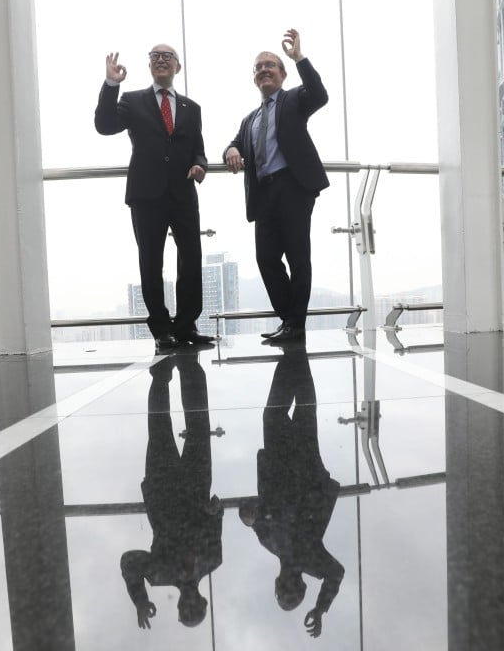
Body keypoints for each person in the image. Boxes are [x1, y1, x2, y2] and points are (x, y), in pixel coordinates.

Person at [95, 45, 214, 351]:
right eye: (155, 56)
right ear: (149, 66)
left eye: (167, 56)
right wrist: (111, 85)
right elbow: (105, 126)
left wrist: (200, 164)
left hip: (184, 192)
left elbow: (197, 148)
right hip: (147, 193)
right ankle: (162, 329)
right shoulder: (133, 100)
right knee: (151, 261)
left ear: (178, 66)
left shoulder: (192, 108)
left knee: (191, 258)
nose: (161, 60)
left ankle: (187, 325)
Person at [223, 29, 329, 344]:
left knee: (298, 257)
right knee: (266, 258)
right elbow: (236, 142)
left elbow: (320, 95)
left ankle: (296, 324)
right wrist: (231, 149)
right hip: (263, 193)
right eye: (259, 67)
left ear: (282, 75)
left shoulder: (294, 99)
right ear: (254, 78)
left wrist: (299, 58)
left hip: (293, 187)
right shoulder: (250, 119)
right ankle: (289, 320)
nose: (264, 69)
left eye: (270, 65)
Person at [239, 346, 344, 637]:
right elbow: (336, 575)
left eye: (281, 590)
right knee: (295, 410)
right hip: (303, 468)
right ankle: (294, 351)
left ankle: (293, 353)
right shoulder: (299, 556)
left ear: (277, 583)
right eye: (289, 590)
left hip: (290, 466)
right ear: (296, 584)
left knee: (293, 411)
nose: (284, 585)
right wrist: (321, 608)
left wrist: (247, 515)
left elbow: (250, 511)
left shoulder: (271, 543)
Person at [120, 353, 223, 629]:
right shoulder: (212, 560)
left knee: (160, 426)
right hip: (194, 487)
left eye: (184, 608)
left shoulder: (160, 574)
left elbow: (129, 562)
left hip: (165, 488)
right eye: (193, 607)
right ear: (202, 602)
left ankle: (166, 373)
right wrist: (216, 511)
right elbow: (215, 524)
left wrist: (140, 600)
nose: (188, 603)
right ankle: (188, 368)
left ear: (179, 604)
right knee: (192, 426)